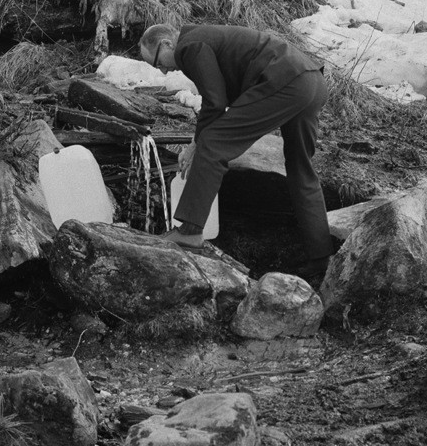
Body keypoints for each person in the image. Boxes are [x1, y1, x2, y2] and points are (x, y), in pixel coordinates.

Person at [138, 23, 334, 282]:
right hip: (311, 81)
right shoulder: (204, 37)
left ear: (166, 44)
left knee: (213, 143)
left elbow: (215, 101)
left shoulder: (189, 45)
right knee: (301, 169)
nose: (163, 70)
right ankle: (321, 258)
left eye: (157, 62)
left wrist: (197, 144)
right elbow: (219, 97)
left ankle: (189, 231)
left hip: (285, 81)